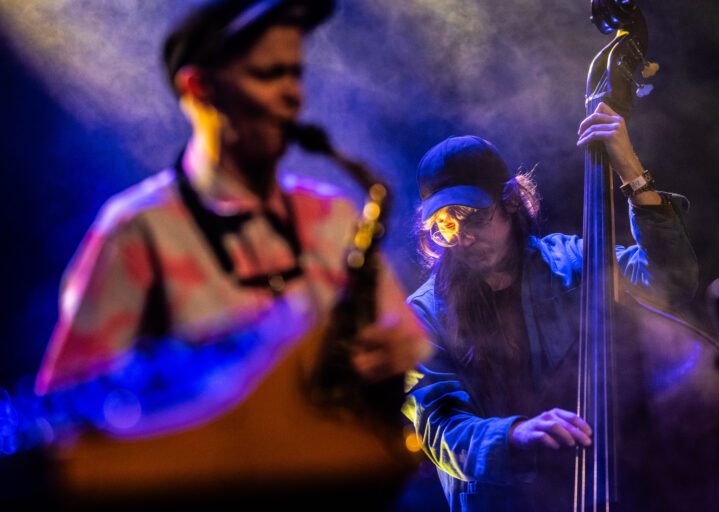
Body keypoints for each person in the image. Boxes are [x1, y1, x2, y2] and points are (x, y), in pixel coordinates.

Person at [6, 0, 430, 506]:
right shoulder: (135, 231)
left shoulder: (335, 218)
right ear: (198, 88)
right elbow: (66, 429)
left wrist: (409, 359)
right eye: (268, 75)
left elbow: (427, 373)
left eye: (295, 73)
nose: (293, 94)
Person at [401, 102, 700, 511]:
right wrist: (515, 435)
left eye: (471, 216)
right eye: (444, 226)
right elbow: (441, 427)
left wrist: (630, 171)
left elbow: (672, 280)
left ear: (510, 199)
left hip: (599, 488)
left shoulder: (574, 261)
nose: (462, 237)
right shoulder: (422, 315)